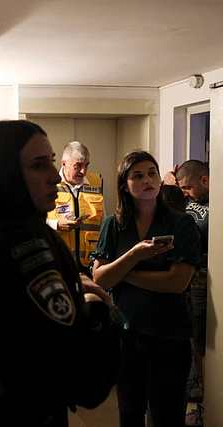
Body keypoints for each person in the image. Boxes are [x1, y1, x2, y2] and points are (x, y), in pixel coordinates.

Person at [0, 120, 118, 426]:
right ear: (4, 175)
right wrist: (93, 308)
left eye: (52, 162)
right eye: (39, 165)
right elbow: (85, 382)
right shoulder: (33, 248)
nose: (55, 177)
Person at [92, 151, 201, 427]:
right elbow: (101, 279)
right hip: (126, 334)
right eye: (137, 175)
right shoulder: (114, 225)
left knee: (167, 416)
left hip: (169, 336)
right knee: (129, 413)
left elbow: (177, 282)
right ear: (124, 184)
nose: (147, 180)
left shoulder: (181, 223)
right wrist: (134, 255)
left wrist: (124, 273)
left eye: (152, 172)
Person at [165, 160, 209, 426]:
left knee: (206, 343)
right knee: (196, 341)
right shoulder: (187, 202)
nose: (186, 193)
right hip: (191, 280)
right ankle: (202, 398)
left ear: (204, 181)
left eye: (188, 188)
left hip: (207, 277)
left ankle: (209, 404)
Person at [46, 141, 104, 274]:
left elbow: (103, 222)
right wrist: (57, 224)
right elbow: (35, 222)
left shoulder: (95, 183)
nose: (83, 171)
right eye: (78, 166)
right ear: (64, 164)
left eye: (86, 165)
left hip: (91, 264)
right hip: (59, 263)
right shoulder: (49, 184)